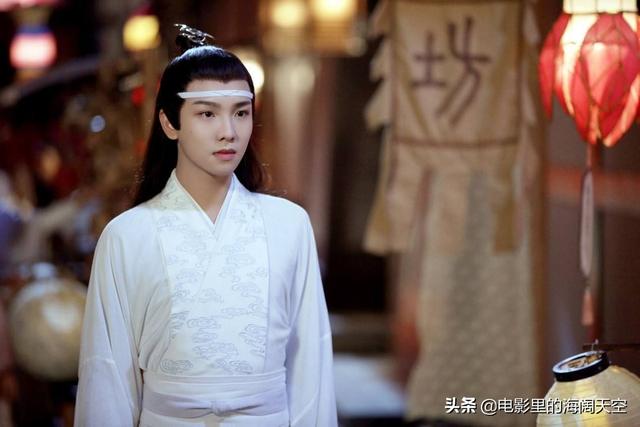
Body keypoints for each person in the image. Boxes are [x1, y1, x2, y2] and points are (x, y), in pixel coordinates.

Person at [75, 25, 337, 427]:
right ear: (169, 123)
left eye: (241, 113)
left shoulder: (290, 225)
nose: (228, 132)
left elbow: (311, 364)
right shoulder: (126, 236)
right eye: (207, 113)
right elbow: (107, 373)